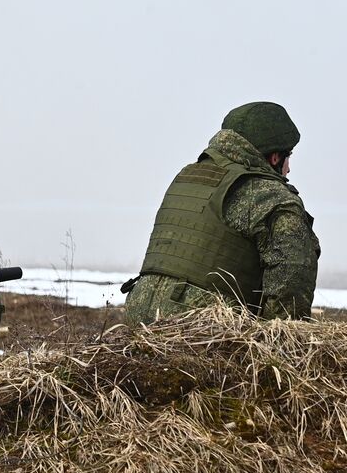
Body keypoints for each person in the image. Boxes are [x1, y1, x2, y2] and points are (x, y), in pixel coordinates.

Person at [123, 101, 320, 325]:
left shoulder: (187, 176)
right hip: (201, 327)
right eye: (288, 157)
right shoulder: (273, 196)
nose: (289, 169)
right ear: (275, 157)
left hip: (137, 316)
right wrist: (279, 345)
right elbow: (292, 280)